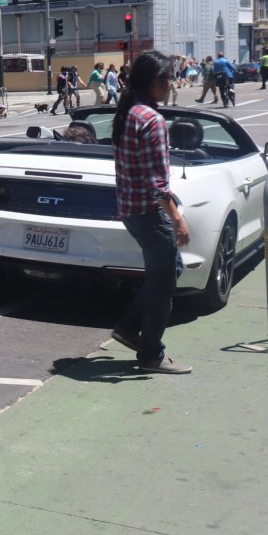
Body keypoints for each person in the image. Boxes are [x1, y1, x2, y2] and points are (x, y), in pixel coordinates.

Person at [110, 50, 192, 374]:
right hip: (149, 213)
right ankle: (151, 355)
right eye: (168, 78)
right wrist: (177, 219)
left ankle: (129, 328)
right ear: (154, 82)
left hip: (131, 211)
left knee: (170, 270)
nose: (171, 84)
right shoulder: (152, 120)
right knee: (162, 287)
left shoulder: (128, 113)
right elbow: (157, 181)